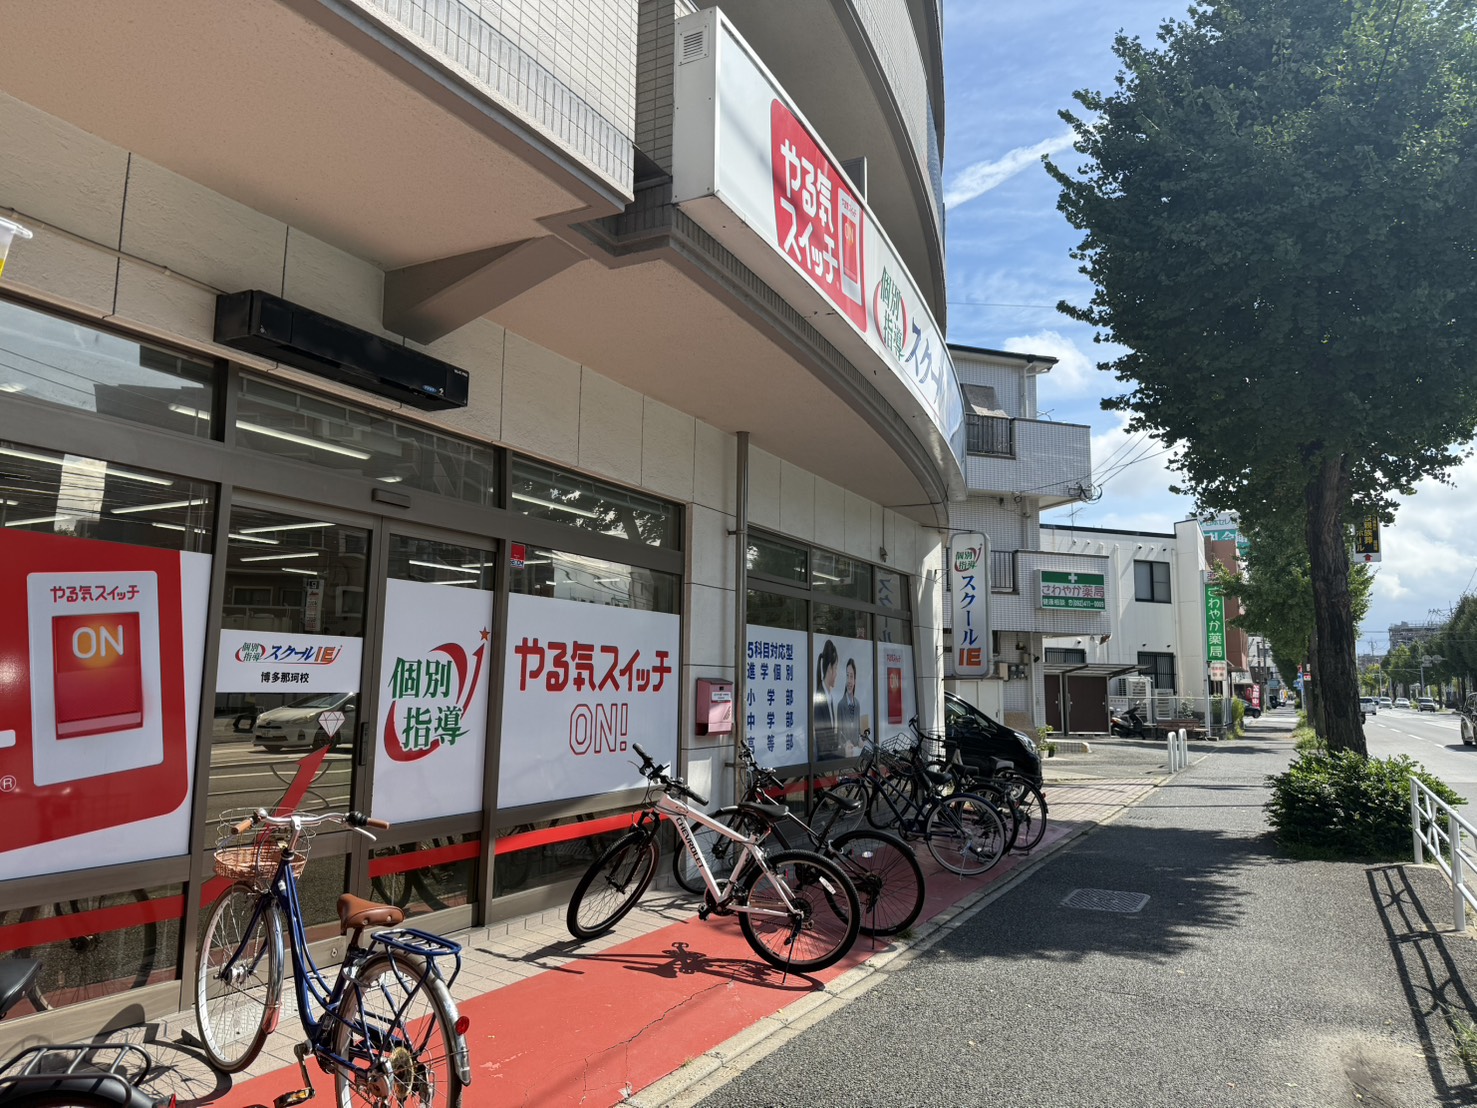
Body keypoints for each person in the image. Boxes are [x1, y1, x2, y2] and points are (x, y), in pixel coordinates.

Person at [813, 639, 840, 759]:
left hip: (829, 759)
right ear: (830, 668)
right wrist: (843, 752)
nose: (837, 673)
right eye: (836, 668)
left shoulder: (829, 696)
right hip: (824, 761)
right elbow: (823, 744)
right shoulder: (820, 697)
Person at [836, 658, 864, 754]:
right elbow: (839, 735)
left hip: (857, 754)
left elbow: (858, 731)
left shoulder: (857, 704)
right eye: (847, 676)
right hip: (846, 755)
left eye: (851, 677)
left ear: (855, 680)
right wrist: (845, 744)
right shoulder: (840, 705)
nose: (849, 680)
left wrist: (860, 740)